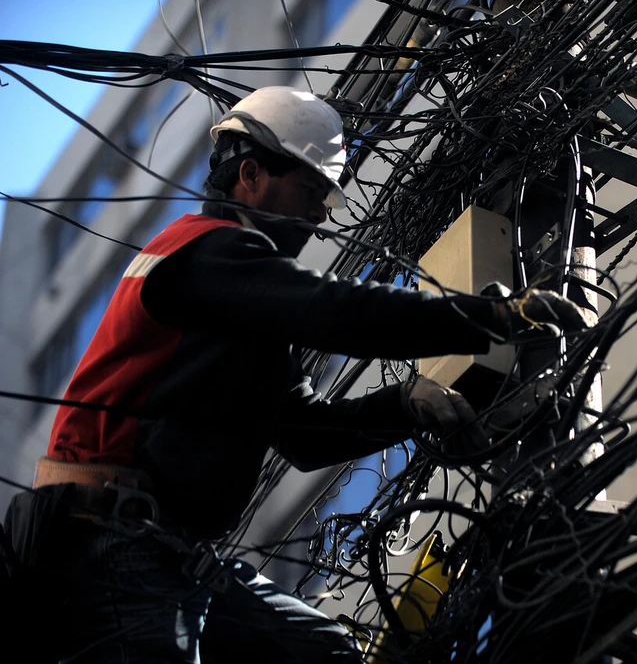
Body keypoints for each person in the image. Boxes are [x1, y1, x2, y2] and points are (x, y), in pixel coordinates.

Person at [2, 86, 588, 663]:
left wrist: (405, 404)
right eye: (309, 190)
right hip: (108, 543)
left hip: (165, 550)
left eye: (324, 199)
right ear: (250, 174)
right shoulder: (206, 252)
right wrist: (491, 317)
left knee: (326, 654)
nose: (317, 215)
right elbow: (336, 311)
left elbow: (303, 435)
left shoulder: (241, 303)